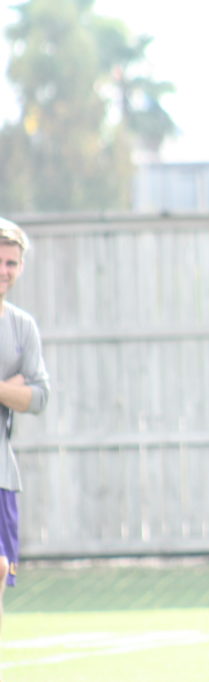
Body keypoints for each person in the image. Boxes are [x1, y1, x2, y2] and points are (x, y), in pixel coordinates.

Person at [0, 219, 50, 634]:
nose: (4, 270)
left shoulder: (21, 327)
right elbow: (20, 390)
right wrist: (7, 388)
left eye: (11, 263)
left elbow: (39, 397)